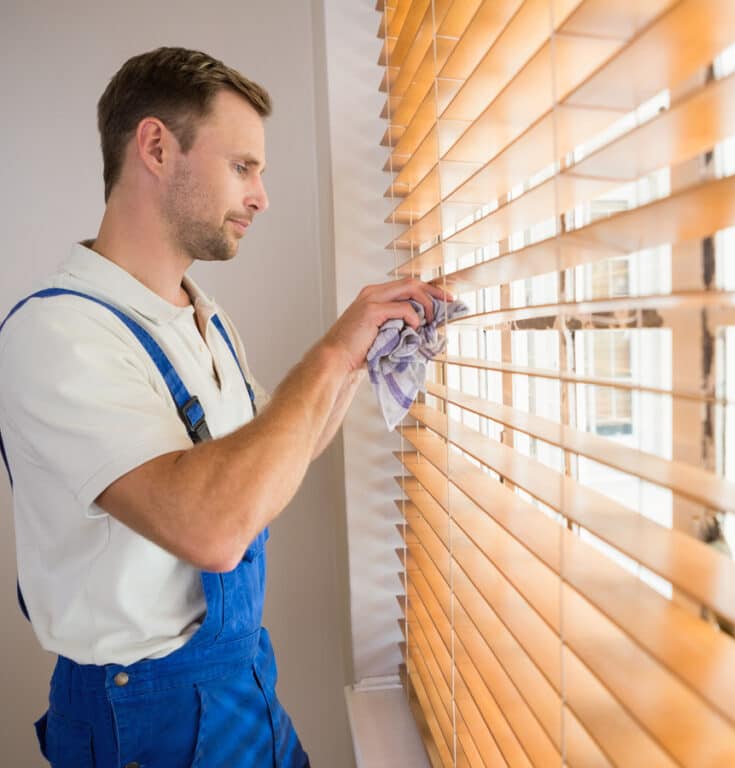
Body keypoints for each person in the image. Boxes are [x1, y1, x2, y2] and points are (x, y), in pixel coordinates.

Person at [0, 47, 448, 768]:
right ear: (155, 147)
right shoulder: (59, 335)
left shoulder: (202, 318)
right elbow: (211, 527)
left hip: (242, 681)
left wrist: (360, 354)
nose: (261, 195)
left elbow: (274, 456)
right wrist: (333, 355)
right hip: (144, 719)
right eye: (243, 166)